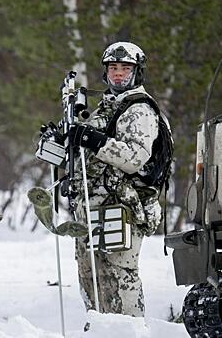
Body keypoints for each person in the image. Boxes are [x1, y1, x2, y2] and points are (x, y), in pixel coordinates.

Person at [67, 42, 167, 317]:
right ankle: (100, 328)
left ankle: (130, 330)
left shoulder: (140, 109)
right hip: (94, 206)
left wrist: (94, 140)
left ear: (137, 72)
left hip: (123, 206)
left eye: (125, 69)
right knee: (92, 274)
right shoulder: (107, 107)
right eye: (114, 68)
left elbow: (135, 157)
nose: (119, 74)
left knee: (120, 275)